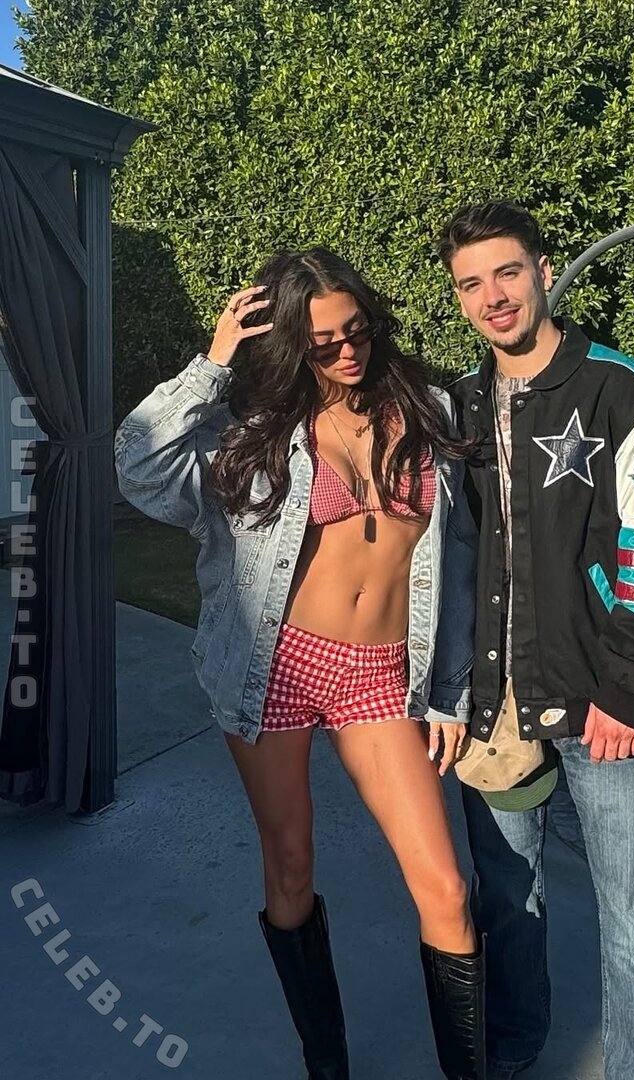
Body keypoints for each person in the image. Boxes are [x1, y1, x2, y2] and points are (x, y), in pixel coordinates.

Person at [114, 247, 485, 1080]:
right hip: (275, 665)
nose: (347, 351)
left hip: (381, 672)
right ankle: (327, 1063)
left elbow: (457, 560)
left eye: (357, 330)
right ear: (291, 346)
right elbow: (136, 463)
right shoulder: (254, 432)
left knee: (446, 890)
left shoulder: (426, 408)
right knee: (290, 862)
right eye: (322, 344)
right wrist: (213, 362)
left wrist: (451, 690)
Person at [436, 201, 634, 1080]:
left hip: (603, 704)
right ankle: (513, 1054)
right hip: (494, 708)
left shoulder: (629, 392)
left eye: (507, 273)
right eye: (471, 283)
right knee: (508, 907)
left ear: (545, 272)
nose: (492, 296)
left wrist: (630, 689)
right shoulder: (458, 407)